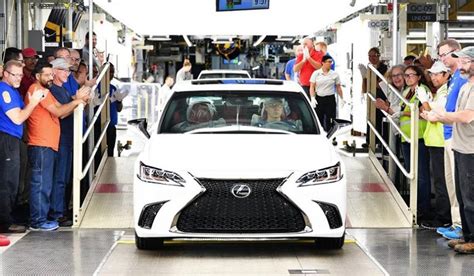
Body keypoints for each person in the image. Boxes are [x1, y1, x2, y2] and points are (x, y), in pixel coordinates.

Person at [26, 61, 87, 231]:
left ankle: (42, 218)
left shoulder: (46, 91)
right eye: (47, 74)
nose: (50, 77)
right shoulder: (38, 90)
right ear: (38, 76)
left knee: (46, 183)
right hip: (41, 143)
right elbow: (59, 112)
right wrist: (77, 101)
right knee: (41, 184)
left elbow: (61, 109)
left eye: (51, 74)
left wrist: (77, 101)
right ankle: (37, 221)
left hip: (49, 143)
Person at [425, 48, 474, 253]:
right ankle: (467, 235)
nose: (460, 65)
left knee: (470, 196)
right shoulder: (465, 87)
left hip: (471, 148)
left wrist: (441, 117)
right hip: (460, 146)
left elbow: (466, 116)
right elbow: (456, 113)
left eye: (465, 61)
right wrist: (441, 116)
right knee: (463, 195)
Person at [0, 60, 45, 234]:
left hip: (15, 139)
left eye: (20, 74)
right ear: (5, 73)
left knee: (15, 180)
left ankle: (9, 217)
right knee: (7, 181)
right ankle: (5, 221)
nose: (19, 78)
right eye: (14, 74)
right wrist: (33, 102)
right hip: (7, 139)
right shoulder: (4, 91)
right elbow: (18, 118)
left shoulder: (13, 90)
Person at [430, 40, 467, 240]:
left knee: (460, 184)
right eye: (440, 55)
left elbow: (459, 112)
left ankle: (462, 225)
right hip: (447, 134)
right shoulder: (453, 79)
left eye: (444, 55)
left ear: (456, 53)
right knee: (450, 182)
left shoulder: (463, 79)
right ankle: (457, 223)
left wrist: (440, 115)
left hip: (456, 135)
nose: (442, 59)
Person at [49, 58, 91, 226]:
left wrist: (80, 99)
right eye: (64, 70)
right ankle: (56, 213)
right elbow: (62, 112)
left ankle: (61, 210)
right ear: (54, 72)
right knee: (59, 178)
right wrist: (77, 100)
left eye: (68, 71)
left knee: (64, 178)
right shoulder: (53, 89)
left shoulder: (62, 90)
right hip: (60, 138)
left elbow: (70, 103)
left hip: (67, 138)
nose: (68, 73)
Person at [418, 61, 451, 229]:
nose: (433, 77)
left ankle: (443, 218)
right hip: (435, 141)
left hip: (440, 143)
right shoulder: (440, 92)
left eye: (438, 74)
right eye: (431, 74)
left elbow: (439, 113)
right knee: (439, 181)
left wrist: (426, 105)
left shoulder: (446, 91)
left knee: (441, 182)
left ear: (446, 75)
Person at [399, 65, 432, 220]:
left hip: (419, 137)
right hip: (406, 137)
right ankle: (415, 205)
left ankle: (423, 208)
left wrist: (401, 112)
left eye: (411, 75)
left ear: (419, 76)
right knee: (411, 173)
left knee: (421, 174)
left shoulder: (422, 90)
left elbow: (421, 112)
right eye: (406, 75)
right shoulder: (406, 92)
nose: (408, 78)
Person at [359, 47, 388, 148]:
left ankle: (380, 142)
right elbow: (366, 85)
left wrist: (368, 75)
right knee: (370, 118)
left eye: (374, 56)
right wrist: (364, 77)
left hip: (381, 96)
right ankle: (369, 141)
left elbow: (379, 84)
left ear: (378, 56)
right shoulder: (369, 67)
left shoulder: (384, 68)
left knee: (379, 118)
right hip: (371, 95)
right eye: (369, 56)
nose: (371, 58)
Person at [309, 55, 343, 131]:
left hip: (330, 98)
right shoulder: (316, 73)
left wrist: (342, 98)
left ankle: (330, 134)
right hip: (319, 98)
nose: (330, 63)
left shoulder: (334, 74)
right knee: (319, 118)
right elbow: (312, 86)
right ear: (323, 63)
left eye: (331, 62)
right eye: (329, 62)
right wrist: (312, 98)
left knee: (330, 119)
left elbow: (338, 87)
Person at [107, 64, 123, 157]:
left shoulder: (113, 88)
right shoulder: (97, 87)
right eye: (110, 72)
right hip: (100, 125)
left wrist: (119, 101)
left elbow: (119, 109)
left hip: (112, 125)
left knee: (110, 152)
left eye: (113, 72)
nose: (112, 74)